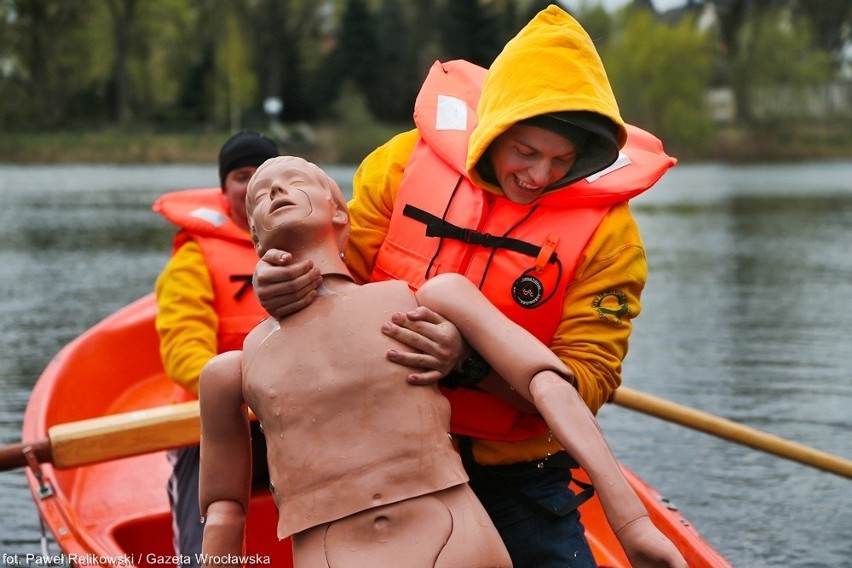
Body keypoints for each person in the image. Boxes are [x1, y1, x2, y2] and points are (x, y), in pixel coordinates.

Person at [253, 6, 676, 567]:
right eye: (525, 151)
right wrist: (280, 284)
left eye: (562, 160)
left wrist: (469, 364)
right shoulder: (400, 165)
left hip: (519, 474)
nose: (539, 175)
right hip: (385, 461)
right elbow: (333, 275)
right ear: (492, 127)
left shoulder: (612, 239)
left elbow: (588, 384)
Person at [198, 155, 686, 568]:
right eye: (259, 195)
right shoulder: (231, 372)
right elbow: (224, 508)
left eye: (295, 181)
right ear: (255, 239)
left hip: (455, 541)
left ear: (340, 213)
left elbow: (549, 383)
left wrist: (632, 523)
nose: (276, 191)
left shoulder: (431, 298)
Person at [153, 131, 279, 567]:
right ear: (224, 189)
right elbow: (185, 354)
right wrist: (252, 389)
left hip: (293, 411)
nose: (250, 186)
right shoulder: (194, 257)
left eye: (262, 176)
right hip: (216, 419)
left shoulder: (308, 244)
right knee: (203, 536)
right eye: (240, 177)